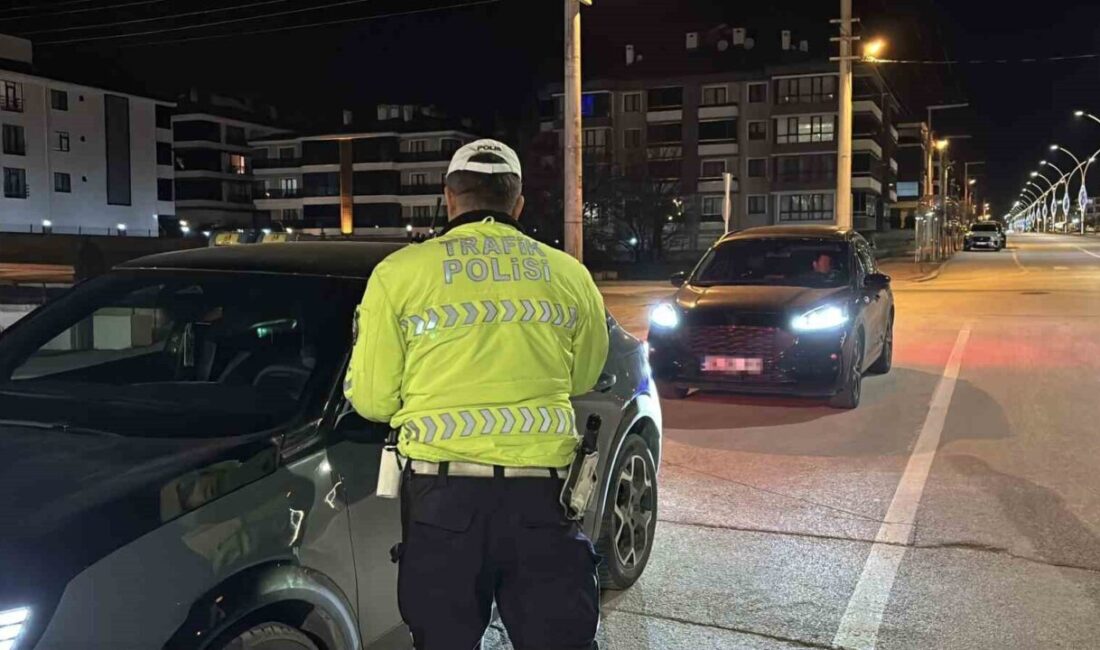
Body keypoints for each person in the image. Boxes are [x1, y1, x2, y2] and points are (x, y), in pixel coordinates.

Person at [344, 139, 609, 650]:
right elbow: (582, 378)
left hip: (442, 504)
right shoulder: (568, 274)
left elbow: (374, 401)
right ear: (518, 203)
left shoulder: (399, 274)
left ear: (448, 198)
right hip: (543, 502)